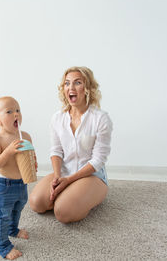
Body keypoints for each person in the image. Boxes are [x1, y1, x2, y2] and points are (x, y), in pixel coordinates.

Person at [29, 66, 113, 224]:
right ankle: (70, 193)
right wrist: (57, 176)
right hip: (65, 171)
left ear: (87, 88)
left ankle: (86, 194)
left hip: (92, 175)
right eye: (67, 83)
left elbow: (98, 160)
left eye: (77, 83)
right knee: (36, 203)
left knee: (63, 212)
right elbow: (56, 150)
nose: (71, 88)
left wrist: (69, 181)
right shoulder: (57, 118)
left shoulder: (101, 119)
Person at [0, 96, 36, 260]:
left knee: (19, 206)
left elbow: (31, 155)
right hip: (4, 184)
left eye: (18, 110)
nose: (16, 114)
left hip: (21, 182)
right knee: (3, 214)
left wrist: (33, 164)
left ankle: (13, 229)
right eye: (9, 112)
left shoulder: (26, 136)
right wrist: (8, 151)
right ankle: (3, 245)